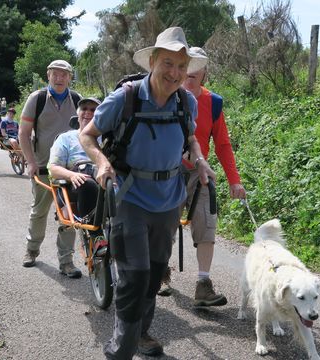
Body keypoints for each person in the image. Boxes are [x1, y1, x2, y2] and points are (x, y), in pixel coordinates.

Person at [80, 27, 215, 359]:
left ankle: (140, 334)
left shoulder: (186, 102)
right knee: (134, 276)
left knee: (154, 275)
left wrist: (199, 160)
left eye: (182, 67)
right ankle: (120, 350)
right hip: (129, 197)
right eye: (168, 63)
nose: (175, 73)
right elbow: (87, 135)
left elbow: (191, 139)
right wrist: (100, 162)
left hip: (169, 200)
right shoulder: (123, 99)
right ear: (152, 61)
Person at [158, 46, 247, 307]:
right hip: (168, 171)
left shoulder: (213, 103)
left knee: (207, 224)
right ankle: (162, 274)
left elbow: (222, 144)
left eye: (197, 67)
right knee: (165, 226)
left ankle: (203, 284)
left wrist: (234, 179)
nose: (190, 72)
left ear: (205, 73)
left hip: (201, 172)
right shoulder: (165, 98)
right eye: (187, 66)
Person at [18, 59, 82, 278]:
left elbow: (88, 132)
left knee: (68, 216)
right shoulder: (37, 99)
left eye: (64, 74)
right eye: (55, 73)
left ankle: (66, 262)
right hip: (43, 168)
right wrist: (31, 162)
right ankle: (31, 250)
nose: (59, 77)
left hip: (70, 171)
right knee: (39, 213)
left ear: (70, 77)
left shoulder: (77, 100)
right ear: (48, 75)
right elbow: (24, 133)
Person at [48, 97, 101, 221]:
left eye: (93, 110)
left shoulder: (106, 138)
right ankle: (95, 234)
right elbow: (53, 168)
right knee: (86, 180)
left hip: (102, 181)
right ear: (78, 115)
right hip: (74, 184)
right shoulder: (65, 138)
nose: (88, 112)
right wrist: (72, 175)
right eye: (84, 109)